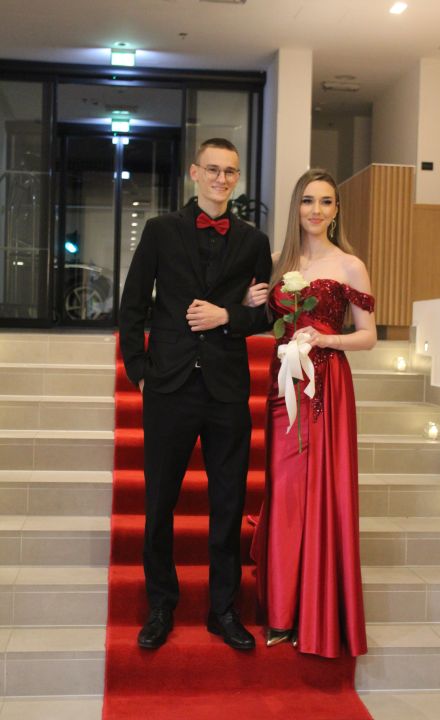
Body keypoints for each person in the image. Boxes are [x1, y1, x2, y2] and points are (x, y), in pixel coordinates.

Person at [119, 138, 272, 652]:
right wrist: (139, 371)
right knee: (159, 503)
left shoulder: (253, 241)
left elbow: (264, 313)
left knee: (228, 504)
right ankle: (161, 605)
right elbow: (133, 304)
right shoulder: (161, 231)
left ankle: (223, 610)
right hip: (169, 385)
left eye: (230, 172)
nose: (221, 179)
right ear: (194, 172)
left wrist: (229, 315)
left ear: (237, 179)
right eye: (213, 169)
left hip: (227, 390)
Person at [248, 168, 376, 657]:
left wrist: (326, 339)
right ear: (295, 207)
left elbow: (368, 336)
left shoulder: (350, 265)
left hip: (327, 387)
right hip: (283, 387)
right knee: (285, 494)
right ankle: (282, 612)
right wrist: (252, 301)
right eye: (307, 200)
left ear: (336, 210)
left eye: (325, 201)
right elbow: (265, 321)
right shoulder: (278, 263)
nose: (315, 210)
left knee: (321, 493)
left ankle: (316, 613)